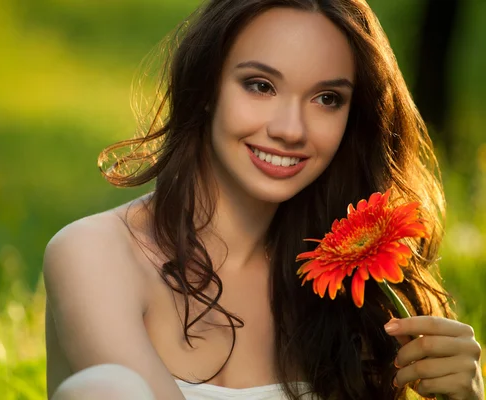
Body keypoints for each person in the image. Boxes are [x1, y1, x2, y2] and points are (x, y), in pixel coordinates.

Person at [43, 0, 484, 399]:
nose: (290, 129)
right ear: (206, 88)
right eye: (260, 86)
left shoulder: (351, 290)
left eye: (327, 99)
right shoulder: (96, 253)